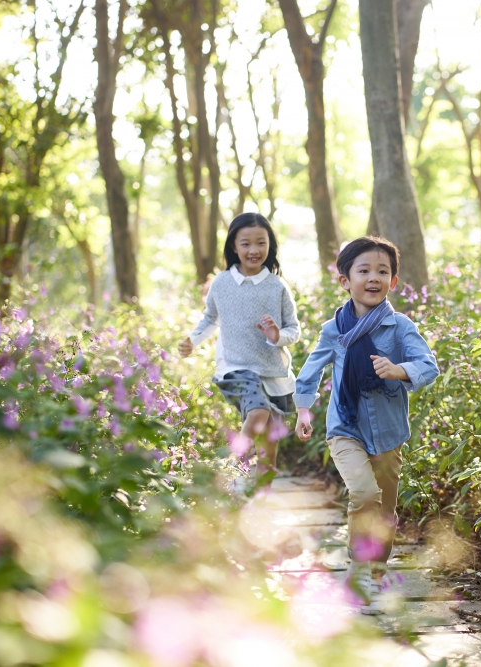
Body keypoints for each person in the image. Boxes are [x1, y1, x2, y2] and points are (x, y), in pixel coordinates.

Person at [294, 237, 439, 615]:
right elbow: (310, 371)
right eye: (364, 270)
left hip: (389, 431)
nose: (373, 277)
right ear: (345, 280)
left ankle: (377, 565)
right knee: (363, 492)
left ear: (393, 282)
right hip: (346, 426)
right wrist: (303, 410)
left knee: (386, 508)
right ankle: (358, 565)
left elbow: (429, 365)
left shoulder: (400, 326)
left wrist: (398, 370)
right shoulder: (333, 329)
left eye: (382, 271)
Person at [179, 212, 300, 486]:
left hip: (272, 369)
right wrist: (192, 341)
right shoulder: (221, 283)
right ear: (234, 246)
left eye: (261, 243)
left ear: (270, 245)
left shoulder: (277, 287)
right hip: (235, 366)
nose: (254, 250)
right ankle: (233, 470)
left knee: (270, 435)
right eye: (245, 243)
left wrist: (277, 334)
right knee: (258, 413)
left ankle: (261, 494)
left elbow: (294, 329)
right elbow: (211, 318)